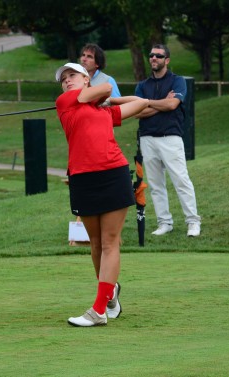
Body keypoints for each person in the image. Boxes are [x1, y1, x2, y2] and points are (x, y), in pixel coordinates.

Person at [55, 62, 150, 327]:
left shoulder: (103, 112)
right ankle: (110, 293)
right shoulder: (64, 102)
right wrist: (102, 95)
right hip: (82, 177)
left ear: (86, 79)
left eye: (72, 75)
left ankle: (99, 309)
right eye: (63, 79)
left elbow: (141, 102)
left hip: (113, 173)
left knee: (109, 242)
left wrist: (108, 102)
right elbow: (105, 86)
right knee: (95, 244)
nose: (67, 81)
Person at [134, 44, 202, 237]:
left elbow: (173, 104)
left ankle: (193, 222)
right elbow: (137, 112)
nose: (154, 58)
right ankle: (165, 223)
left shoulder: (177, 81)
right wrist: (160, 103)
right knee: (155, 184)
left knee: (181, 180)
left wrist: (148, 103)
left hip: (170, 138)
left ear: (167, 60)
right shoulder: (142, 85)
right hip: (147, 138)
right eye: (151, 55)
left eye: (158, 55)